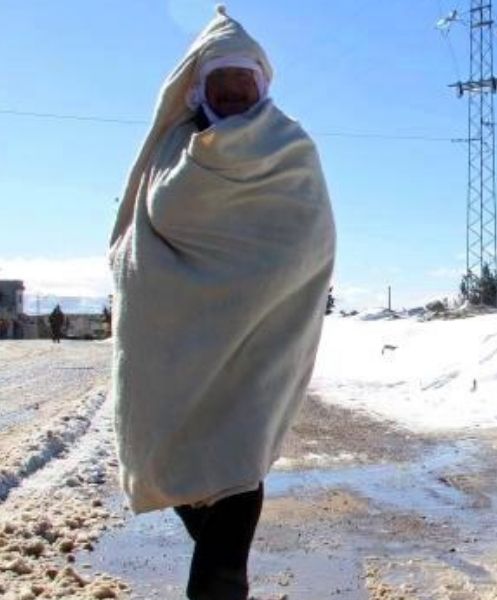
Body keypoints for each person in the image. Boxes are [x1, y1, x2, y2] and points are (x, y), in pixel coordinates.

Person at [107, 7, 335, 599]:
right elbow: (140, 238)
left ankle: (220, 586)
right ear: (200, 87)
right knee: (178, 463)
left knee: (237, 458)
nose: (234, 94)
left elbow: (307, 239)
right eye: (222, 84)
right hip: (175, 340)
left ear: (260, 86)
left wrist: (265, 286)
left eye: (243, 84)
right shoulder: (172, 148)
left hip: (259, 340)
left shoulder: (291, 147)